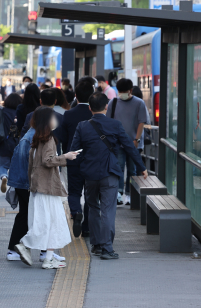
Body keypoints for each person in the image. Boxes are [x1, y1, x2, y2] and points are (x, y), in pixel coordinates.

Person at [71, 92, 147, 260]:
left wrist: (81, 168)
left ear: (90, 108)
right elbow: (129, 147)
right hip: (110, 173)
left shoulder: (82, 126)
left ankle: (96, 245)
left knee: (92, 207)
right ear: (106, 107)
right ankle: (107, 248)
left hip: (89, 174)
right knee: (107, 210)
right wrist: (142, 167)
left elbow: (74, 152)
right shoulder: (115, 125)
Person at [14, 106, 79, 269]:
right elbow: (48, 161)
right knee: (53, 223)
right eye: (52, 117)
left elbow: (32, 164)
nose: (55, 120)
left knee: (47, 223)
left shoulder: (36, 138)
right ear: (47, 120)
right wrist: (66, 156)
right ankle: (27, 244)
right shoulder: (48, 139)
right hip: (48, 188)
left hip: (38, 187)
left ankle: (48, 258)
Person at [6, 123, 66, 263]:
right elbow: (43, 162)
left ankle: (17, 249)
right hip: (30, 183)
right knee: (40, 216)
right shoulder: (37, 137)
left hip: (25, 183)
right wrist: (66, 158)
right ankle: (33, 249)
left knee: (27, 215)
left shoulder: (29, 135)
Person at [59, 81, 94, 238]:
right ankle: (87, 228)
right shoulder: (95, 113)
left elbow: (63, 138)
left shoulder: (69, 114)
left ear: (75, 96)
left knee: (74, 192)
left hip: (73, 158)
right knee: (90, 195)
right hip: (92, 160)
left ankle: (76, 212)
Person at [106, 78, 148, 205]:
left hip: (134, 143)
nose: (121, 94)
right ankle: (119, 194)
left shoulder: (139, 103)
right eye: (120, 91)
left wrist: (137, 139)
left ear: (131, 90)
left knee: (132, 169)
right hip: (118, 143)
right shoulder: (113, 103)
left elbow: (142, 122)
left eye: (124, 91)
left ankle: (130, 195)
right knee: (118, 167)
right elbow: (109, 122)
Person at [0, 93, 22, 193]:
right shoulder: (20, 112)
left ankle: (4, 176)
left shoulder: (1, 111)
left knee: (3, 165)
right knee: (16, 166)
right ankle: (14, 187)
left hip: (3, 142)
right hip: (17, 143)